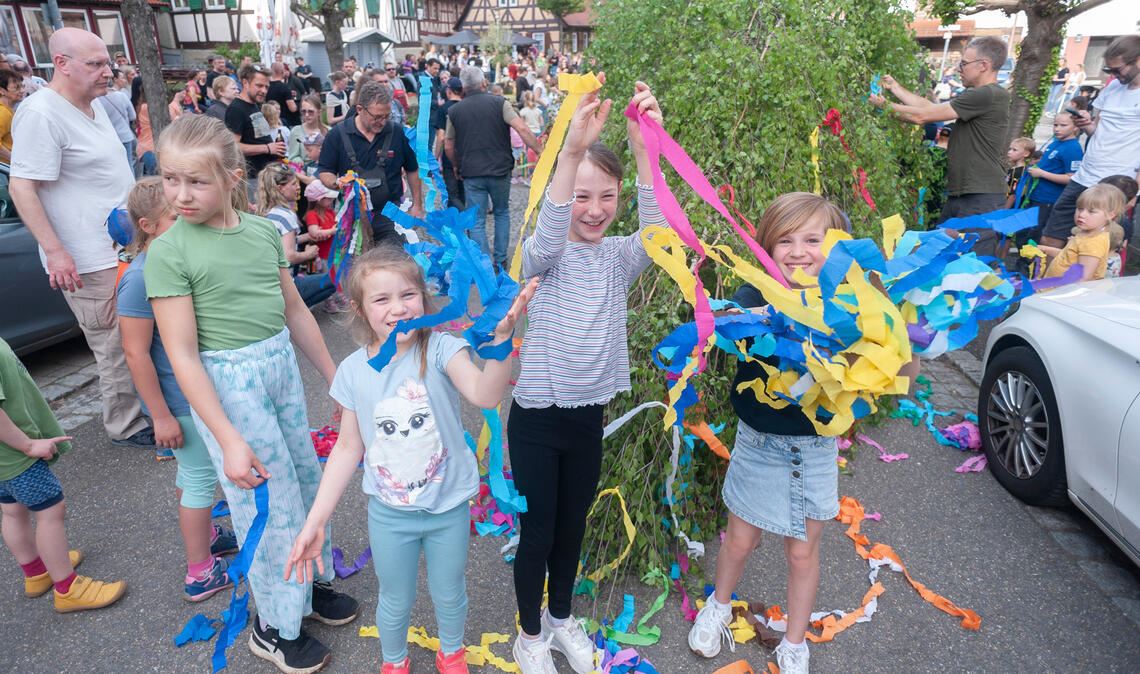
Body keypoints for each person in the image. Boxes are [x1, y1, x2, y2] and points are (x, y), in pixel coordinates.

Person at [145, 115, 358, 674]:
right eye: (170, 180)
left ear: (233, 177)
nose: (181, 195)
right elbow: (183, 355)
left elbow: (293, 312)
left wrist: (337, 378)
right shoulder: (169, 252)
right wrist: (227, 439)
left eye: (197, 181)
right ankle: (273, 623)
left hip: (278, 369)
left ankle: (307, 591)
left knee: (309, 481)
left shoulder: (264, 233)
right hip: (229, 388)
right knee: (268, 502)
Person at [685, 193, 916, 674]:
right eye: (784, 240)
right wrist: (728, 313)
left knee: (803, 550)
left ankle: (794, 642)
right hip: (759, 442)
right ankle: (719, 606)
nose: (797, 251)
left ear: (836, 247)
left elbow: (898, 371)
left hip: (812, 449)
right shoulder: (757, 293)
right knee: (739, 540)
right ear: (767, 248)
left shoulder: (851, 305)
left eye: (812, 240)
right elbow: (719, 328)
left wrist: (893, 329)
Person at [285, 246, 537, 674]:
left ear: (423, 297)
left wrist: (499, 344)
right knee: (395, 597)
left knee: (450, 592)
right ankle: (394, 660)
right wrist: (316, 520)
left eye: (408, 295)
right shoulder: (351, 371)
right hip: (389, 514)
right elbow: (348, 448)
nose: (399, 308)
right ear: (360, 310)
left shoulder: (442, 349)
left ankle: (452, 652)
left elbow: (486, 394)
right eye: (382, 299)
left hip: (448, 509)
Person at [508, 79, 666, 674]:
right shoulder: (540, 257)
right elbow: (549, 232)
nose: (595, 209)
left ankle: (560, 619)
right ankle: (529, 636)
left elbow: (656, 234)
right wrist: (571, 149)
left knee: (572, 528)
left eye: (607, 196)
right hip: (536, 420)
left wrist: (643, 150)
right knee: (539, 532)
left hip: (586, 417)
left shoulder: (619, 256)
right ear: (560, 195)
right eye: (580, 197)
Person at [9, 27, 155, 450]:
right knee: (112, 342)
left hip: (123, 248)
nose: (107, 71)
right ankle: (125, 426)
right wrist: (56, 252)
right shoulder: (41, 113)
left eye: (108, 62)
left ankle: (147, 409)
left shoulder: (96, 106)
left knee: (137, 334)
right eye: (95, 64)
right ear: (62, 64)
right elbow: (22, 187)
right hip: (88, 257)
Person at [117, 177, 239, 598]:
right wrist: (161, 415)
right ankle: (199, 571)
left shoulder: (174, 261)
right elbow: (136, 354)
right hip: (180, 402)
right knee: (201, 477)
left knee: (195, 476)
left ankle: (204, 538)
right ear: (148, 226)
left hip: (194, 394)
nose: (186, 222)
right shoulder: (138, 277)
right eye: (174, 217)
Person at [0, 337, 127, 613]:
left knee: (12, 511)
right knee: (50, 512)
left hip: (4, 461)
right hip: (17, 456)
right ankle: (67, 587)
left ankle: (36, 571)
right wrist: (29, 444)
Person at [870, 36, 1010, 256]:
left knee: (973, 263)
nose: (959, 69)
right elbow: (930, 108)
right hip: (965, 193)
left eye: (964, 63)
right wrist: (895, 88)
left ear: (984, 65)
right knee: (941, 254)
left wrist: (883, 105)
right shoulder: (979, 96)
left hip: (980, 195)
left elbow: (923, 116)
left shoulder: (988, 94)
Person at [1040, 35, 1140, 250]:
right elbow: (1099, 131)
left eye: (1117, 70)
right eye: (1109, 71)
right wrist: (1085, 124)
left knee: (1098, 248)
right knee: (1051, 238)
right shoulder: (1112, 88)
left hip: (1116, 184)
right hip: (1083, 177)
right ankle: (1045, 283)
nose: (1113, 75)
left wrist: (1135, 191)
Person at [445, 66, 543, 269]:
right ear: (483, 83)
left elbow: (448, 145)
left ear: (463, 86)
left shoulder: (454, 111)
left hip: (471, 171)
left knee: (478, 219)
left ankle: (483, 263)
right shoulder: (500, 103)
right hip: (500, 169)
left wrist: (455, 165)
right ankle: (500, 260)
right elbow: (522, 128)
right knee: (501, 212)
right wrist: (540, 151)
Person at [317, 81, 424, 247]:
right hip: (353, 218)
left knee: (393, 265)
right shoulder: (337, 135)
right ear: (360, 109)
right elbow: (325, 171)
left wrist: (417, 206)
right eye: (377, 117)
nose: (382, 122)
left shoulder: (396, 132)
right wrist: (336, 182)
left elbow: (412, 169)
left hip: (390, 214)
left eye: (386, 116)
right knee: (357, 269)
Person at [257, 163, 336, 309]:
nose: (298, 188)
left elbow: (279, 243)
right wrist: (308, 254)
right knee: (334, 280)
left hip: (267, 282)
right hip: (285, 284)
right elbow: (289, 256)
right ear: (280, 188)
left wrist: (306, 237)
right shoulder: (286, 215)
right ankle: (295, 309)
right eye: (294, 184)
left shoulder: (266, 212)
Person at [1040, 183, 1126, 283]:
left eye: (1091, 211)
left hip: (1063, 294)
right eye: (1080, 208)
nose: (1082, 214)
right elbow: (1069, 256)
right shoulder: (1087, 234)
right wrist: (1045, 249)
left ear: (1110, 215)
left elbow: (1083, 278)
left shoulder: (1093, 243)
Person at [226, 62, 286, 204]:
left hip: (264, 174)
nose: (264, 90)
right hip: (251, 178)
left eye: (266, 87)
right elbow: (233, 147)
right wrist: (267, 148)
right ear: (245, 83)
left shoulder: (253, 105)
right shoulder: (236, 109)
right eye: (259, 85)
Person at [1020, 112, 1083, 244]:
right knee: (1023, 233)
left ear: (1075, 127)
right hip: (1035, 196)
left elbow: (1071, 178)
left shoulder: (1073, 148)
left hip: (1047, 200)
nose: (1057, 129)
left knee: (1033, 235)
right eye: (1055, 125)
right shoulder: (1056, 142)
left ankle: (1027, 263)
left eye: (1063, 125)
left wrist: (1042, 174)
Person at [434, 77, 465, 209]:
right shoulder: (467, 106)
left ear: (449, 91)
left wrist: (435, 157)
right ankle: (465, 222)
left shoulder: (444, 109)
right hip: (466, 154)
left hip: (449, 156)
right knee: (463, 192)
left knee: (452, 193)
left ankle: (458, 220)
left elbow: (441, 137)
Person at [100, 68, 137, 172]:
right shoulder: (122, 96)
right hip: (125, 135)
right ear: (114, 79)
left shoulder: (97, 99)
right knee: (129, 164)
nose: (125, 80)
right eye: (122, 78)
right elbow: (133, 116)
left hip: (108, 137)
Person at [288, 94, 328, 163]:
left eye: (310, 111)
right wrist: (298, 161)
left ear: (319, 112)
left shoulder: (328, 131)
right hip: (302, 170)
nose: (307, 115)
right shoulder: (296, 131)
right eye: (304, 111)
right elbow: (292, 156)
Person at [267, 62, 301, 128]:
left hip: (272, 121)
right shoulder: (284, 87)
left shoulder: (267, 87)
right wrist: (299, 104)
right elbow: (292, 108)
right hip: (287, 122)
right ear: (282, 71)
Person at [1004, 137, 1034, 209]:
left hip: (1009, 207)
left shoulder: (1020, 172)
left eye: (1014, 150)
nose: (1009, 152)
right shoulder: (1014, 169)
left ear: (1026, 154)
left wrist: (1004, 210)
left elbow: (1013, 194)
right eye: (1010, 149)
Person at [0, 70, 22, 163]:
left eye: (22, 86)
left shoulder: (8, 110)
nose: (22, 91)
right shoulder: (3, 112)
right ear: (2, 91)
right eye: (16, 88)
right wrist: (16, 161)